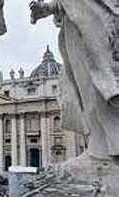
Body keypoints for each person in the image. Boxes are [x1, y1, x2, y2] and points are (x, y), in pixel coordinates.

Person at [30, 0, 119, 160]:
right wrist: (43, 9)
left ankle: (112, 145)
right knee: (85, 91)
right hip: (73, 26)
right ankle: (100, 148)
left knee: (101, 84)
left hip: (98, 22)